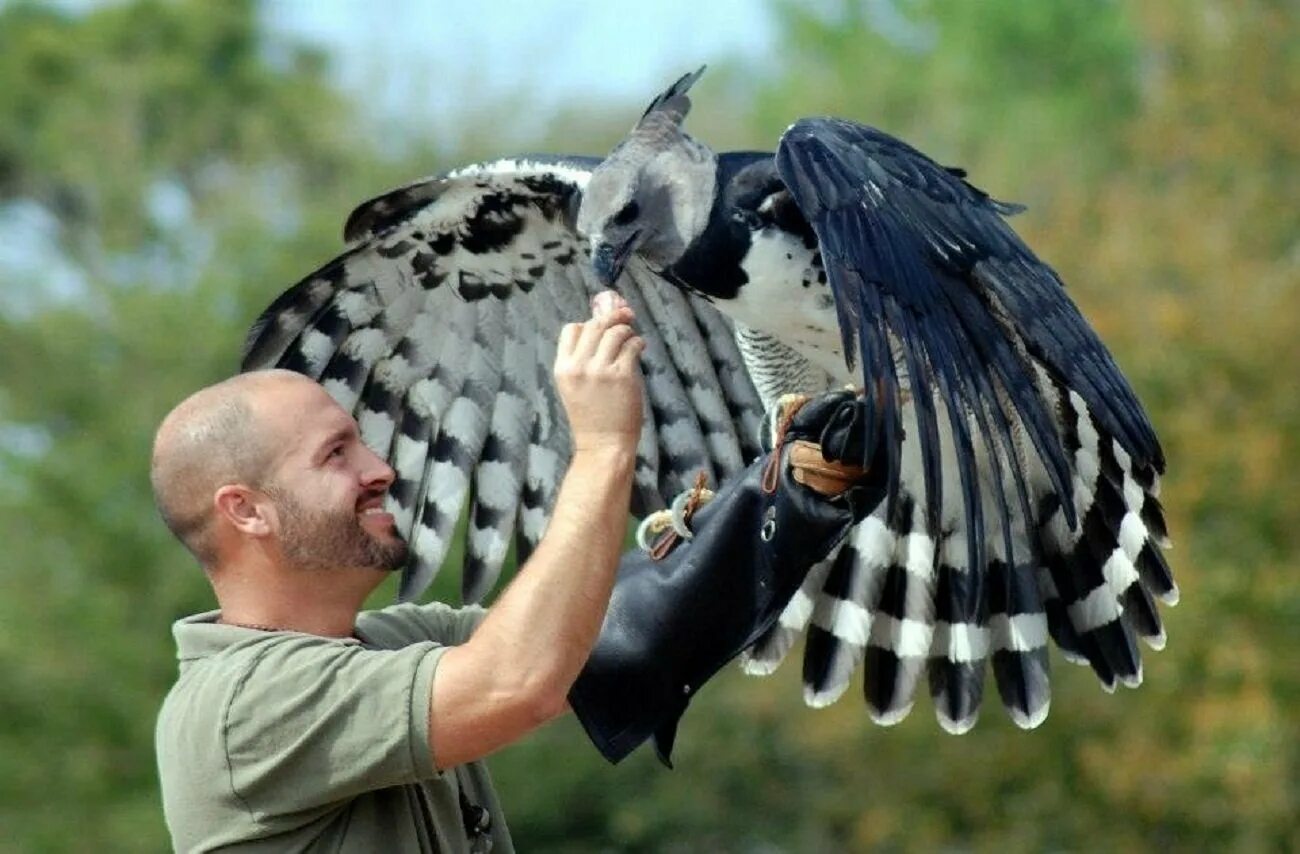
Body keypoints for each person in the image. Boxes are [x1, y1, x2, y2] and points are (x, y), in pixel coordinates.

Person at [153, 291, 882, 852]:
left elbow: (609, 642)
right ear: (245, 510)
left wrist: (795, 492)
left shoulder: (392, 642)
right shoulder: (238, 707)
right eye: (335, 455)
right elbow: (519, 680)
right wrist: (601, 448)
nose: (380, 470)